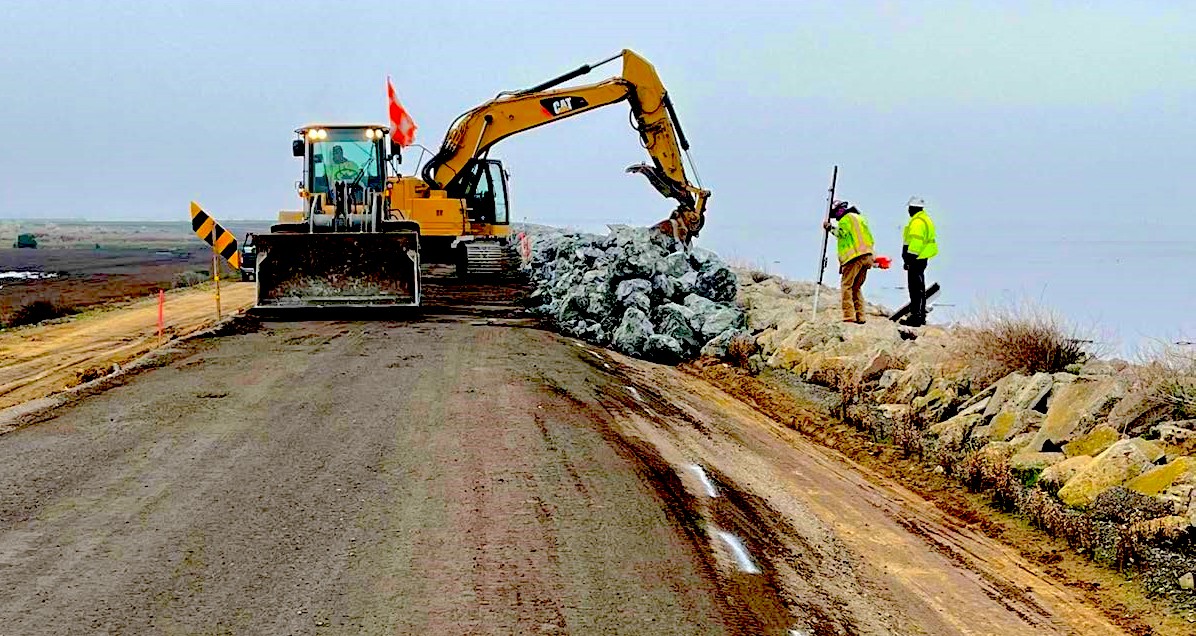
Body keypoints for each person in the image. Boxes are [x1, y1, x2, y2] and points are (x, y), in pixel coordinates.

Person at [823, 200, 875, 324]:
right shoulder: (859, 218)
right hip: (867, 255)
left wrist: (830, 228)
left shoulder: (845, 219)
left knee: (847, 286)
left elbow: (842, 233)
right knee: (857, 287)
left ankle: (849, 316)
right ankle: (861, 316)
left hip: (853, 258)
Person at [901, 196, 938, 327]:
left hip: (916, 258)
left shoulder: (917, 222)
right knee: (919, 288)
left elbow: (915, 243)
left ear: (912, 208)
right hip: (921, 258)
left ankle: (917, 317)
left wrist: (909, 259)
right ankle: (919, 315)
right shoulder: (924, 219)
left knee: (915, 289)